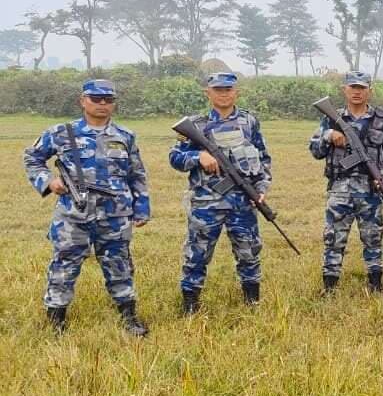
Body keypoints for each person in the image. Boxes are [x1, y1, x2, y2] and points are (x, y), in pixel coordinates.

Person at [22, 79, 150, 336]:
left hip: (115, 214)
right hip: (73, 215)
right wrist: (49, 181)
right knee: (64, 265)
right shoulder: (61, 132)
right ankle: (56, 320)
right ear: (83, 101)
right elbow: (32, 158)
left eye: (108, 100)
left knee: (119, 264)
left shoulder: (124, 136)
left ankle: (129, 316)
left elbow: (136, 174)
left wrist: (142, 207)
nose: (102, 104)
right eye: (96, 98)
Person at [170, 71, 273, 314]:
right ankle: (190, 306)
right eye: (218, 89)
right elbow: (174, 157)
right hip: (206, 203)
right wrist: (198, 156)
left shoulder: (250, 122)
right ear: (208, 93)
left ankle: (252, 303)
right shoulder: (195, 125)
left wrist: (261, 189)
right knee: (197, 254)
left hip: (243, 202)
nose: (224, 94)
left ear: (236, 92)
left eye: (228, 89)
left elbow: (263, 157)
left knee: (248, 252)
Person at [309, 70, 383, 295]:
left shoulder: (381, 119)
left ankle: (376, 285)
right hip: (340, 189)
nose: (357, 92)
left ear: (370, 90)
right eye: (353, 87)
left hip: (371, 189)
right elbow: (315, 151)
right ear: (344, 90)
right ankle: (329, 288)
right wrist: (328, 135)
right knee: (334, 238)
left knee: (373, 237)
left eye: (362, 88)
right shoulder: (332, 118)